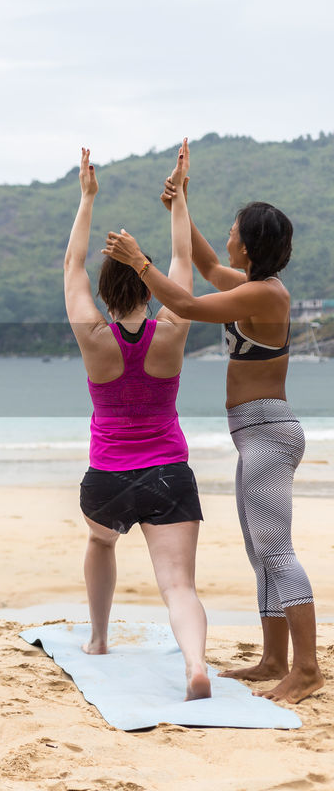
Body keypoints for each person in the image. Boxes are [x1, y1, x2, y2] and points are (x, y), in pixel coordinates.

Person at [104, 154, 324, 704]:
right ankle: (274, 658)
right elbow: (201, 266)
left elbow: (181, 300)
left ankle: (308, 668)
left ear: (247, 246)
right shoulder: (251, 284)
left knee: (275, 549)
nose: (225, 240)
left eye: (231, 233)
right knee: (260, 549)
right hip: (257, 432)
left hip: (269, 432)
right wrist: (181, 201)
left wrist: (138, 261)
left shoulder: (264, 294)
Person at [65, 141, 211, 700]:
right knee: (178, 585)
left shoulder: (92, 332)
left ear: (105, 291)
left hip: (107, 479)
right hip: (169, 473)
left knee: (102, 544)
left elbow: (72, 263)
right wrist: (179, 201)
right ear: (149, 288)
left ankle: (99, 638)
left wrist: (87, 197)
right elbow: (179, 262)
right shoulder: (172, 329)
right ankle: (195, 665)